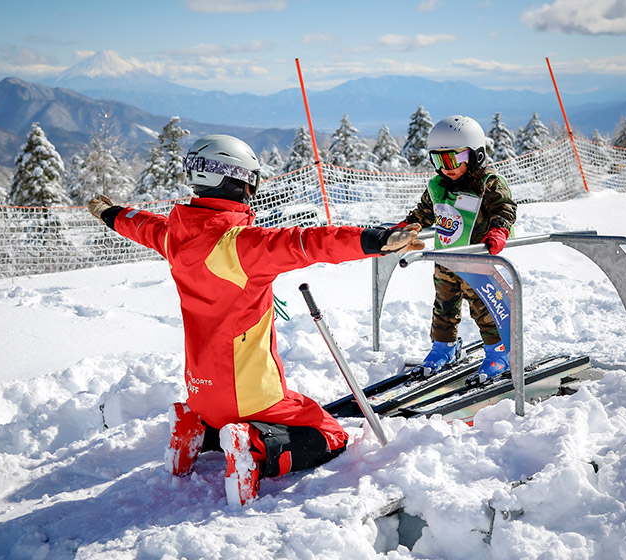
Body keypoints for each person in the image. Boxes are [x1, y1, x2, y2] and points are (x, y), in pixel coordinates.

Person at [88, 134, 423, 506]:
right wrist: (377, 240)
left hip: (200, 392)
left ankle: (197, 427)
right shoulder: (239, 244)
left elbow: (143, 226)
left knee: (226, 415)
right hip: (249, 393)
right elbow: (309, 242)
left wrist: (111, 214)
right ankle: (253, 447)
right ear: (240, 181)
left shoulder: (174, 237)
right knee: (330, 433)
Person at [395, 115, 517, 381]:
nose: (446, 168)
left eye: (452, 159)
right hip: (446, 258)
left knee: (483, 306)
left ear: (476, 155)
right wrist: (406, 228)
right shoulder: (438, 186)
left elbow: (505, 209)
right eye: (439, 161)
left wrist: (499, 230)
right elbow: (424, 213)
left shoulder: (488, 183)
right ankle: (444, 347)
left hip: (477, 260)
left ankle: (498, 352)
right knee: (444, 306)